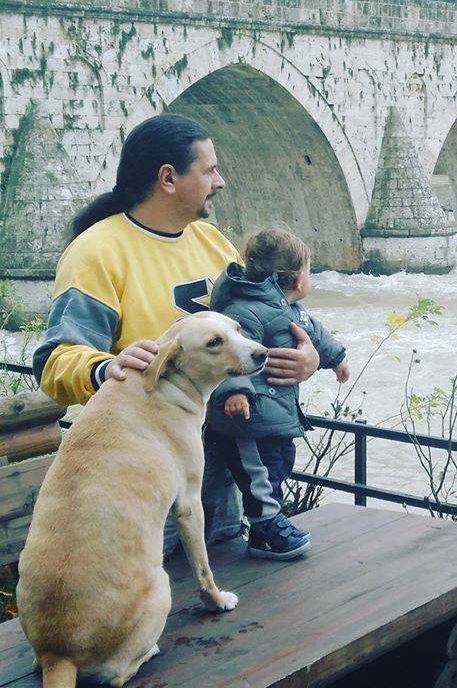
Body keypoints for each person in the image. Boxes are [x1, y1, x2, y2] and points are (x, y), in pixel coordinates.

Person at [32, 113, 322, 549]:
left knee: (225, 584)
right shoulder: (96, 252)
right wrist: (105, 367)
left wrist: (308, 359)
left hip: (220, 462)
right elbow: (54, 362)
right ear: (168, 178)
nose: (220, 181)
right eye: (209, 170)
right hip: (142, 470)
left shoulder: (211, 241)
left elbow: (264, 327)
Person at [205, 226, 350, 560]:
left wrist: (336, 359)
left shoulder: (292, 312)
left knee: (277, 466)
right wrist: (234, 394)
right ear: (297, 279)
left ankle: (261, 533)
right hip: (248, 419)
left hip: (276, 417)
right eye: (309, 270)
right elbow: (230, 355)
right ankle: (268, 527)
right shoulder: (244, 312)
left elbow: (318, 336)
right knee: (260, 477)